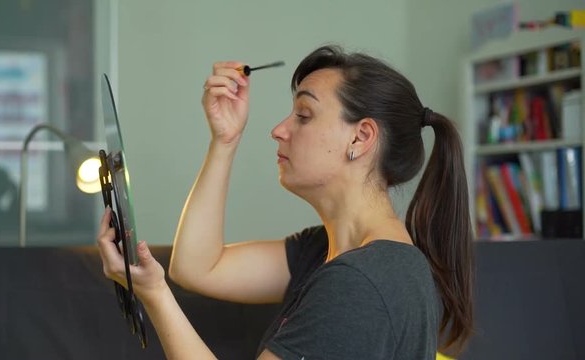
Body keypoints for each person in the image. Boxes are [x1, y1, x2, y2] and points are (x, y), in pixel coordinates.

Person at [97, 45, 474, 359]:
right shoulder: (328, 252)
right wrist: (225, 141)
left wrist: (155, 295)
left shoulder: (361, 282)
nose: (279, 130)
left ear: (360, 138)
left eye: (304, 115)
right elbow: (197, 267)